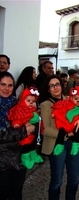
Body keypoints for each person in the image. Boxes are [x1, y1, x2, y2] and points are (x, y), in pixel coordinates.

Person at [39, 74, 79, 200]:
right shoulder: (45, 105)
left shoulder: (70, 99)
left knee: (74, 179)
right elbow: (46, 129)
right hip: (57, 145)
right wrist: (65, 134)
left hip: (73, 145)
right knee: (57, 181)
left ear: (62, 85)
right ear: (48, 89)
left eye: (57, 84)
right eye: (52, 85)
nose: (55, 88)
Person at [0, 72, 35, 200]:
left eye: (10, 85)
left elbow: (32, 124)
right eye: (3, 84)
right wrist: (24, 131)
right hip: (2, 160)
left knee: (17, 191)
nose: (6, 88)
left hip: (19, 158)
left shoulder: (18, 104)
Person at [7, 87, 43, 169]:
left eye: (33, 101)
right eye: (28, 101)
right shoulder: (19, 109)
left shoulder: (31, 110)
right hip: (23, 134)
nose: (31, 103)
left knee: (32, 145)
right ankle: (25, 159)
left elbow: (36, 119)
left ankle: (33, 156)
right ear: (23, 100)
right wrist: (18, 124)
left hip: (30, 133)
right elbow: (16, 118)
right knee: (26, 146)